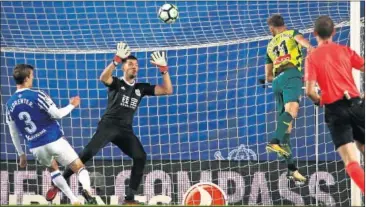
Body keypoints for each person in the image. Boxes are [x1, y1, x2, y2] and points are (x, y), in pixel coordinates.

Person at [46, 42, 173, 204]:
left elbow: (167, 90)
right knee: (87, 154)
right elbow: (103, 78)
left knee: (140, 156)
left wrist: (164, 70)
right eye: (130, 64)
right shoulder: (117, 83)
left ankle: (129, 198)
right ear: (123, 68)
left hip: (125, 130)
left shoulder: (141, 88)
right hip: (108, 125)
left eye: (136, 65)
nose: (134, 67)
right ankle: (58, 184)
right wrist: (116, 59)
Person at [5, 64, 97, 205]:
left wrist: (21, 154)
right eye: (32, 75)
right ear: (27, 77)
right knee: (79, 168)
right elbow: (58, 114)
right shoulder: (37, 95)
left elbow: (13, 132)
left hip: (35, 147)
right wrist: (72, 105)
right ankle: (86, 190)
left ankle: (73, 200)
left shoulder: (9, 104)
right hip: (54, 139)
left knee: (54, 170)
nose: (33, 78)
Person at [305, 15, 365, 193]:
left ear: (314, 33)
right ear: (334, 32)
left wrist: (319, 100)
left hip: (335, 109)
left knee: (350, 160)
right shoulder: (345, 51)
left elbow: (310, 92)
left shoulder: (312, 57)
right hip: (356, 104)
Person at [264, 14, 314, 183]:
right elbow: (302, 41)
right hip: (292, 73)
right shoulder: (292, 33)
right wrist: (310, 47)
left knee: (287, 128)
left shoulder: (270, 45)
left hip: (276, 82)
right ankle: (273, 141)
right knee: (292, 111)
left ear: (271, 28)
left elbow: (268, 76)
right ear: (283, 24)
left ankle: (292, 169)